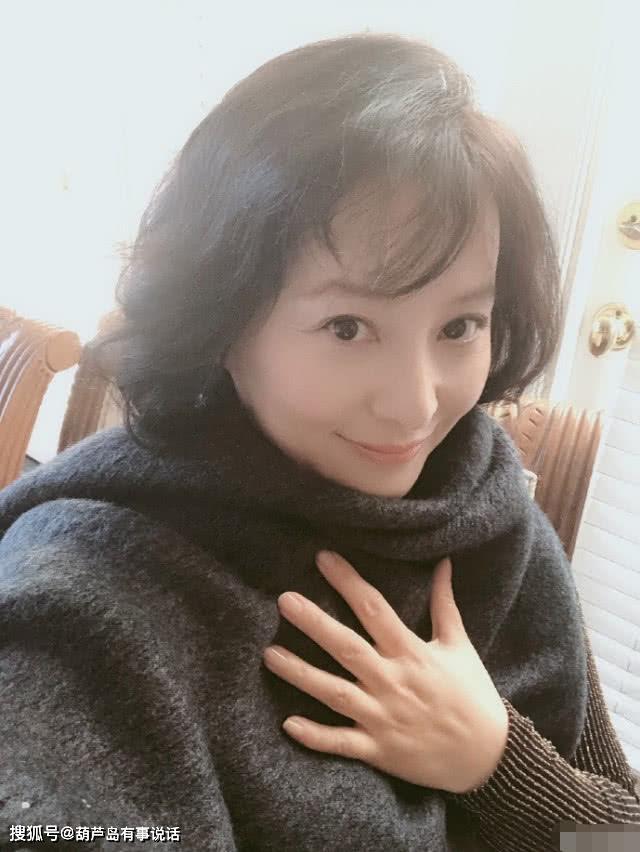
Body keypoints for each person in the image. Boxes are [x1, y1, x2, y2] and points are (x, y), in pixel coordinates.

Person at [1, 32, 638, 852]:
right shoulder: (90, 601)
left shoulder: (489, 521)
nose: (415, 405)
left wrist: (496, 761)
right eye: (347, 327)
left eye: (459, 326)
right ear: (223, 319)